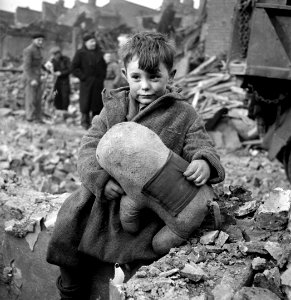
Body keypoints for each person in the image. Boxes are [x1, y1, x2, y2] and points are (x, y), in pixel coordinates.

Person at [47, 31, 225, 299]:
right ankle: (71, 289)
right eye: (136, 77)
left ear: (171, 75)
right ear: (124, 74)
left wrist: (203, 162)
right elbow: (88, 147)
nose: (145, 86)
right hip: (105, 199)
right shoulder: (112, 109)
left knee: (143, 251)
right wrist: (100, 180)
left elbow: (201, 144)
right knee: (70, 225)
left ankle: (132, 284)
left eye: (155, 77)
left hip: (149, 205)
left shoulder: (183, 114)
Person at [71, 32, 107, 130]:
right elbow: (74, 68)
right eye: (91, 42)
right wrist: (83, 77)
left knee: (97, 104)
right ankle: (84, 123)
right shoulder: (80, 53)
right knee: (85, 103)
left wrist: (102, 77)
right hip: (86, 83)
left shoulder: (99, 53)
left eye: (94, 42)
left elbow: (104, 66)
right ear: (86, 43)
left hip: (98, 83)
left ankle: (95, 124)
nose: (93, 44)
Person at [22, 32, 46, 123]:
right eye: (38, 40)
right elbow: (26, 66)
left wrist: (45, 70)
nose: (40, 42)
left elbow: (40, 64)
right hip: (31, 77)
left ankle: (38, 117)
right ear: (33, 40)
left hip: (38, 76)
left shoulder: (39, 50)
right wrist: (31, 79)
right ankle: (30, 117)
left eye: (42, 40)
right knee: (31, 98)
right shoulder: (28, 50)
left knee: (38, 98)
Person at [49, 46, 71, 111]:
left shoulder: (66, 59)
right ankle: (57, 109)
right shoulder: (52, 61)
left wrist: (61, 73)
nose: (55, 56)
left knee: (65, 96)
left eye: (56, 54)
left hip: (64, 82)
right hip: (56, 83)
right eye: (54, 54)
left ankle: (64, 110)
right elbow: (46, 69)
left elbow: (70, 69)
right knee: (56, 95)